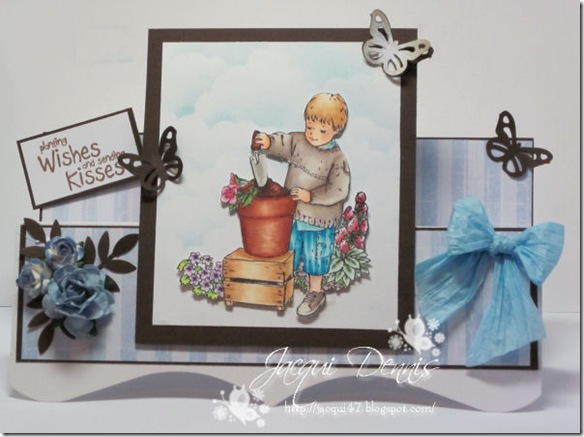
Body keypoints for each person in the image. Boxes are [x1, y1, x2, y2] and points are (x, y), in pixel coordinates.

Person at [253, 93, 350, 317]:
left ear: (336, 130)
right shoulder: (299, 141)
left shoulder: (337, 158)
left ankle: (315, 292)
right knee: (289, 252)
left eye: (322, 130)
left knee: (316, 256)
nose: (313, 134)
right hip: (293, 215)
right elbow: (284, 142)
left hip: (319, 220)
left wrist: (310, 196)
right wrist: (269, 142)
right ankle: (281, 287)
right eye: (310, 127)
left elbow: (339, 190)